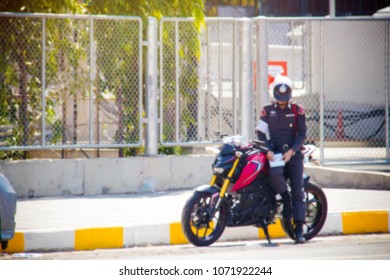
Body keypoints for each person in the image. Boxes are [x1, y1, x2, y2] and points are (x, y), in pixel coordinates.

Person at [255, 74, 307, 243]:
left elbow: (302, 135)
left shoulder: (297, 110)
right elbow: (260, 134)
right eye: (280, 96)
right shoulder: (267, 110)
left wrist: (292, 151)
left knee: (298, 192)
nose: (282, 100)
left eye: (285, 97)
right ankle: (285, 198)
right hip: (276, 153)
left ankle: (299, 230)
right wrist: (267, 150)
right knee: (275, 173)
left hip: (293, 154)